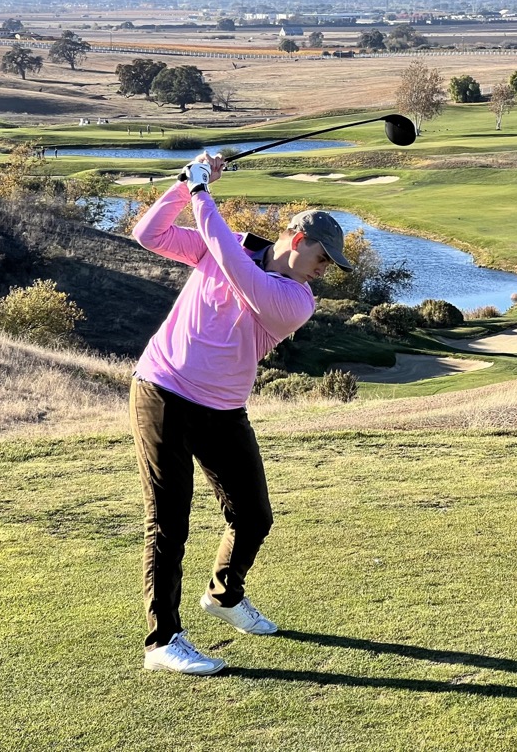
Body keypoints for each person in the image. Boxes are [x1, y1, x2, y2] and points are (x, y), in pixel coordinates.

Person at [130, 153, 352, 676]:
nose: (326, 271)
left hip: (223, 409)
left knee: (253, 514)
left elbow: (235, 267)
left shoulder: (296, 300)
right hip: (161, 389)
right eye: (324, 258)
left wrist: (204, 192)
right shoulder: (231, 250)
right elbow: (149, 234)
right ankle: (163, 640)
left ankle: (225, 595)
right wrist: (185, 188)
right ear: (298, 240)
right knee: (168, 518)